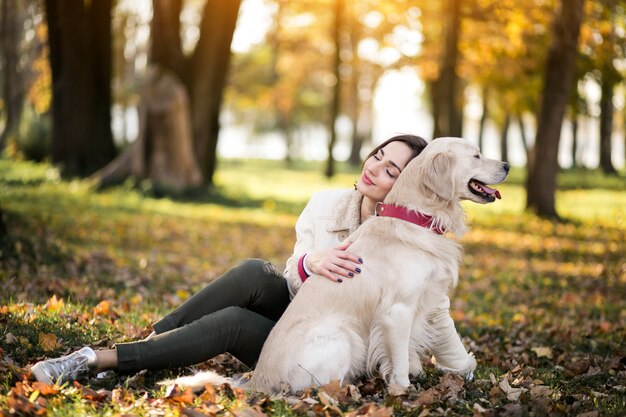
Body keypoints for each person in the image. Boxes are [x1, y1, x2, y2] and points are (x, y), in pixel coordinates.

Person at [31, 134, 475, 385]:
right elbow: (294, 280)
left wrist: (462, 367)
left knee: (234, 324)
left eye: (391, 170)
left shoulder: (406, 238)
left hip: (332, 346)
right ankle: (154, 341)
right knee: (251, 272)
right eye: (377, 156)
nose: (374, 168)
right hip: (301, 311)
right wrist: (310, 263)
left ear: (406, 183)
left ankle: (96, 361)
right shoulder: (326, 204)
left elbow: (430, 309)